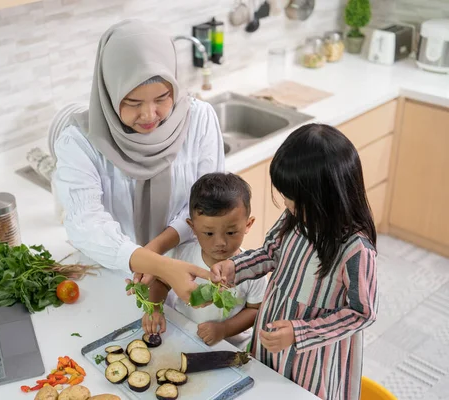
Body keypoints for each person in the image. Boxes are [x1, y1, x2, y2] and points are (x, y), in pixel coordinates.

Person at [52, 19, 225, 302]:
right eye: (133, 102)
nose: (149, 115)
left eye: (162, 97)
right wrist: (152, 263)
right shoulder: (80, 142)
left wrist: (155, 252)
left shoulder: (200, 120)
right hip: (115, 279)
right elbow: (85, 224)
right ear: (109, 92)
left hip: (188, 272)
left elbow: (210, 204)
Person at [211, 124, 378, 400]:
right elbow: (269, 253)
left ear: (330, 197)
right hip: (273, 332)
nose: (287, 205)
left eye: (295, 199)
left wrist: (299, 333)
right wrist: (235, 267)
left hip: (314, 355)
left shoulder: (356, 250)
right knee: (264, 388)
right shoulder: (295, 218)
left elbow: (363, 313)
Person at [141, 173, 267, 350]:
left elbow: (255, 310)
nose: (220, 243)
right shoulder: (182, 255)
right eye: (209, 233)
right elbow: (162, 282)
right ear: (192, 227)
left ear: (248, 224)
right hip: (183, 335)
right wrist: (154, 308)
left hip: (229, 347)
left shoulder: (253, 269)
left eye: (231, 233)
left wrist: (223, 330)